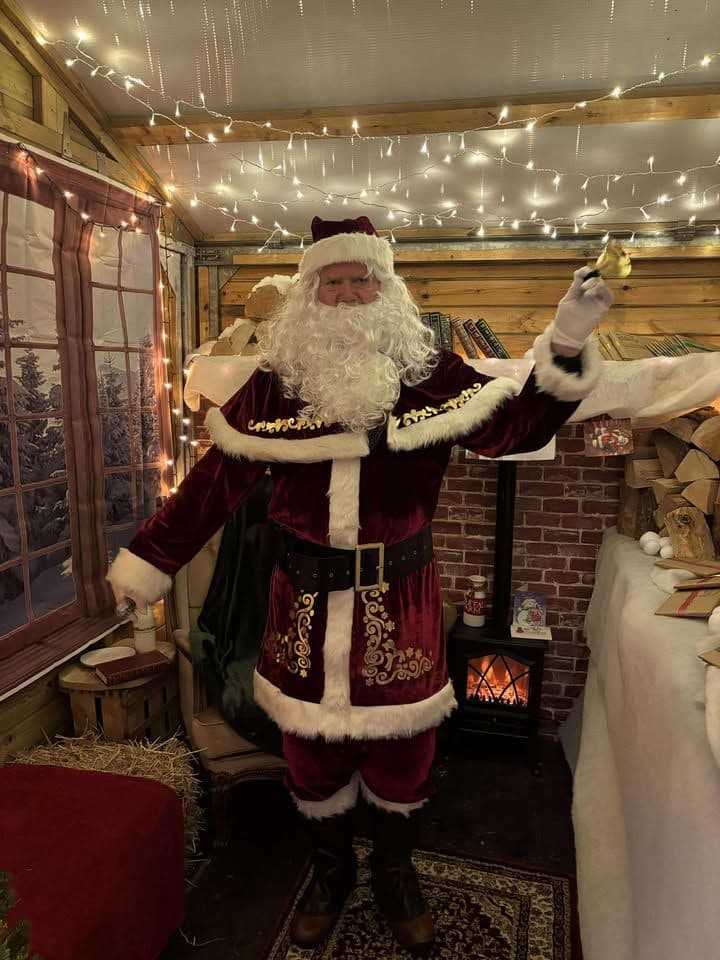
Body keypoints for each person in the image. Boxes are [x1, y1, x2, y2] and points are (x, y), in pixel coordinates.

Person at [107, 215, 612, 954]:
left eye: (360, 280)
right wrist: (150, 560)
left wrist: (566, 338)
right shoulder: (275, 385)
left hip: (399, 602)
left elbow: (521, 428)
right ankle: (330, 871)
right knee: (310, 750)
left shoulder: (431, 375)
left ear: (386, 287)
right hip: (301, 603)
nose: (346, 295)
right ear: (310, 294)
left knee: (403, 752)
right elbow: (212, 484)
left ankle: (396, 874)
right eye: (331, 282)